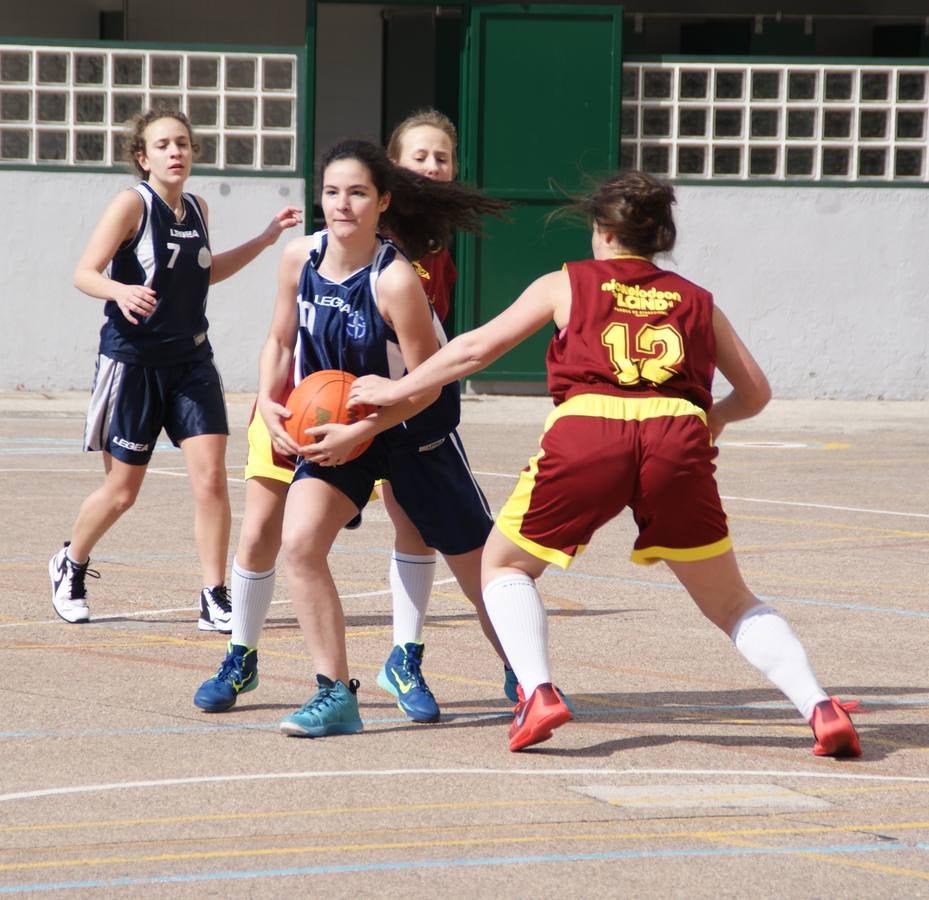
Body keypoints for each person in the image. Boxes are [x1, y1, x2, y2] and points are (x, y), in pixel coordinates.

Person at [349, 169, 863, 758]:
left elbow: (472, 348)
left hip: (590, 429)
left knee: (504, 567)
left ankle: (537, 692)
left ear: (601, 231)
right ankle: (818, 706)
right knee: (732, 602)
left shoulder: (568, 283)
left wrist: (395, 391)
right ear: (659, 237)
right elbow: (757, 393)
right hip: (677, 435)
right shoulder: (697, 300)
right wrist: (712, 419)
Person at [193, 114, 519, 724]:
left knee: (479, 570)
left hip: (414, 428)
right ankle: (336, 692)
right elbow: (280, 341)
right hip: (339, 425)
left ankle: (525, 675)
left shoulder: (395, 280)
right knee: (298, 542)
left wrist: (366, 428)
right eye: (333, 192)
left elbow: (431, 387)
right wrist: (268, 396)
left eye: (359, 193)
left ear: (382, 200)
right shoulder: (299, 257)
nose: (343, 205)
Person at [48, 109, 301, 630]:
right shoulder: (130, 206)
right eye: (162, 144)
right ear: (143, 157)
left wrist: (264, 239)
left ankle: (214, 595)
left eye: (182, 143)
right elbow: (84, 273)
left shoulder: (197, 208)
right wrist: (119, 289)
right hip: (133, 364)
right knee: (122, 493)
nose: (175, 152)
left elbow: (206, 273)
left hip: (191, 362)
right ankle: (70, 562)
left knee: (210, 480)